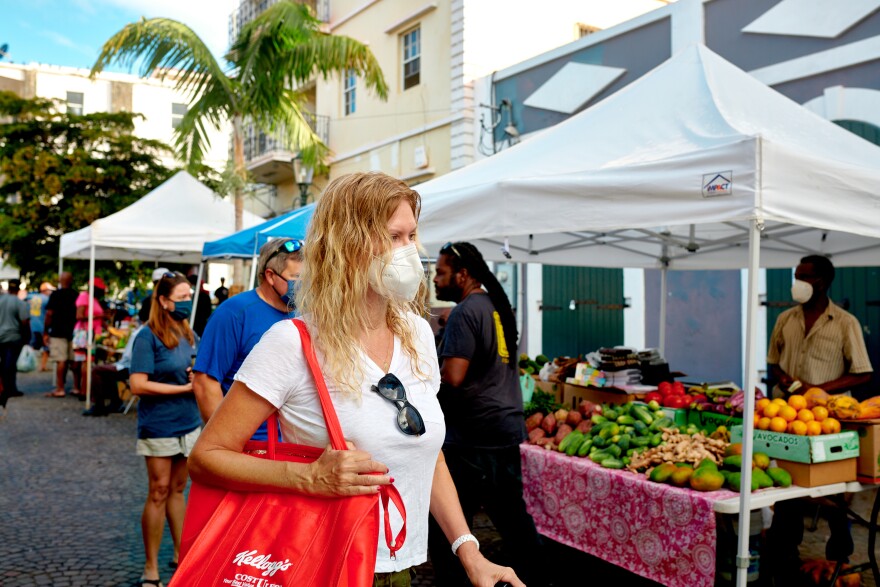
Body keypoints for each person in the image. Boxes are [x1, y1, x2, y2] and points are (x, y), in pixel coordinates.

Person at [187, 172, 523, 587]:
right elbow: (206, 457)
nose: (410, 251)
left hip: (402, 568)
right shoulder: (291, 343)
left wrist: (469, 552)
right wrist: (308, 477)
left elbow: (426, 451)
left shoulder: (417, 333)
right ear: (349, 244)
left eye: (412, 236)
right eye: (395, 237)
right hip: (323, 563)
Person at [428, 241, 542, 586]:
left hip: (473, 436)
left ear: (462, 275)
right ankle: (536, 577)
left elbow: (454, 377)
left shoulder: (466, 312)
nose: (434, 278)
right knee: (511, 516)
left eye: (441, 272)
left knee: (449, 523)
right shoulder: (493, 306)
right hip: (505, 428)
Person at [765, 255, 872, 582]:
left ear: (822, 282)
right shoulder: (785, 318)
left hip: (829, 422)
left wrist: (821, 391)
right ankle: (786, 556)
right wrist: (783, 377)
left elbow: (862, 373)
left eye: (804, 277)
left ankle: (839, 555)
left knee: (833, 490)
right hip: (788, 418)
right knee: (787, 488)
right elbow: (773, 361)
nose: (796, 282)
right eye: (795, 275)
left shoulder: (844, 322)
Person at [130, 271, 202, 587]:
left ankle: (181, 555)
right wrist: (183, 390)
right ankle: (150, 567)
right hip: (159, 425)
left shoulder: (188, 332)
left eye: (189, 296)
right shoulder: (146, 336)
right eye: (182, 298)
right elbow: (137, 384)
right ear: (163, 300)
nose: (187, 302)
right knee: (158, 490)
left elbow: (195, 369)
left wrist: (192, 378)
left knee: (177, 489)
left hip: (188, 423)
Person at [192, 238, 302, 438]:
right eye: (297, 278)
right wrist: (226, 443)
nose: (304, 285)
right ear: (270, 276)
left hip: (292, 445)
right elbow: (205, 382)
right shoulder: (234, 313)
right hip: (250, 445)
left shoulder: (302, 313)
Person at [81, 324, 144, 417]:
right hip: (135, 367)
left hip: (132, 368)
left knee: (97, 370)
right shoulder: (145, 331)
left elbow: (129, 357)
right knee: (106, 371)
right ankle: (115, 403)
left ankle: (99, 406)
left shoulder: (140, 332)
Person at [71, 277, 107, 400]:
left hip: (92, 333)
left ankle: (85, 390)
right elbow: (79, 315)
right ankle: (84, 391)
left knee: (87, 362)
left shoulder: (94, 299)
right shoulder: (84, 296)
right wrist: (98, 316)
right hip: (85, 334)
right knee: (86, 363)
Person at [43, 272, 78, 398]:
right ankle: (76, 387)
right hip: (73, 330)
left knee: (61, 360)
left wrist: (45, 331)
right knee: (74, 360)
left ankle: (60, 388)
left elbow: (49, 314)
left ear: (60, 280)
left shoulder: (55, 295)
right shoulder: (76, 295)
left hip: (58, 331)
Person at [0, 279, 31, 409]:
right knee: (10, 365)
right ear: (18, 289)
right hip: (13, 337)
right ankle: (10, 388)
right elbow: (25, 322)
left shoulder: (0, 300)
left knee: (2, 364)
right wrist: (27, 337)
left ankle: (2, 387)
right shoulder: (20, 303)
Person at [27, 282, 54, 372]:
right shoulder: (47, 299)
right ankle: (42, 365)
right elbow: (50, 313)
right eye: (49, 290)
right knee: (46, 346)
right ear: (45, 290)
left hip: (32, 324)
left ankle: (27, 362)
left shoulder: (32, 297)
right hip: (43, 325)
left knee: (32, 345)